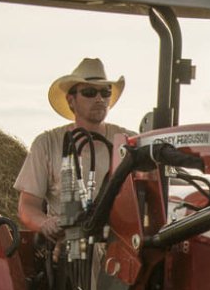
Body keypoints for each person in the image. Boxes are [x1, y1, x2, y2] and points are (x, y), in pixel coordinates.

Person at [15, 58, 132, 241]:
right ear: (71, 101)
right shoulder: (47, 143)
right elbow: (27, 206)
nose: (100, 99)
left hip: (121, 246)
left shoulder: (129, 141)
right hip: (70, 250)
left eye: (105, 92)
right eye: (89, 92)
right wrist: (46, 223)